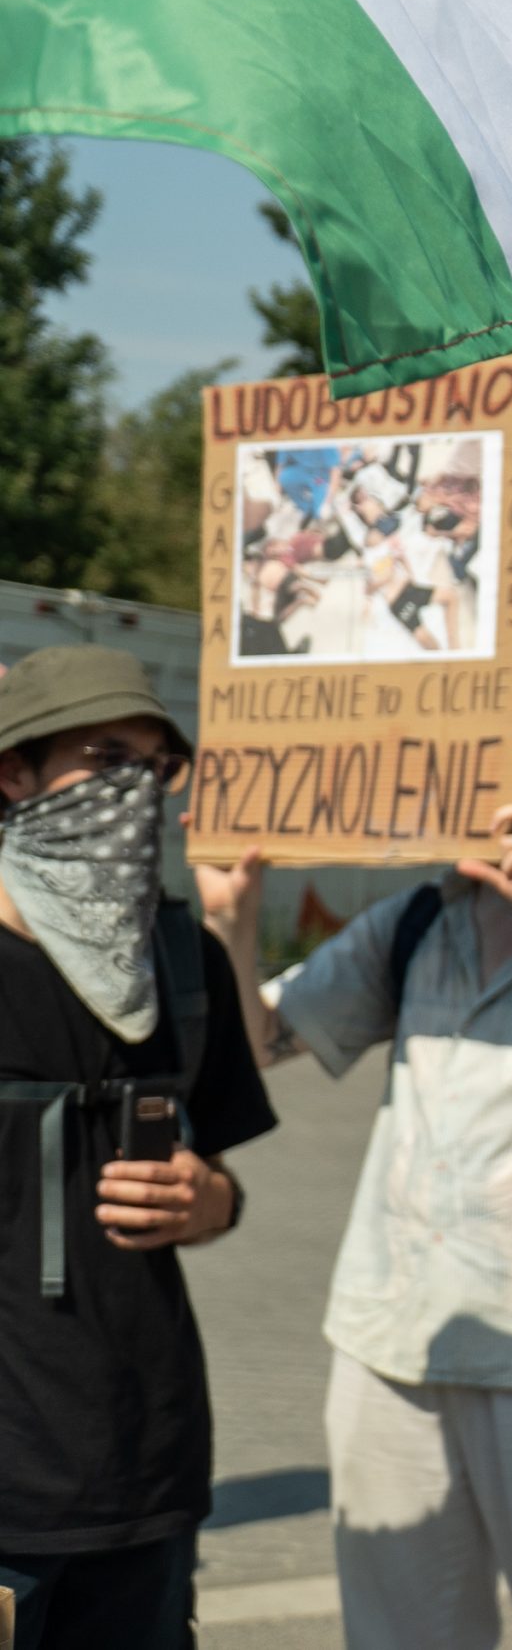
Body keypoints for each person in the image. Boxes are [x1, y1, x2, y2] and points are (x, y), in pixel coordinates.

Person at [197, 654, 512, 1650]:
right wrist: (235, 920)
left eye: (503, 745)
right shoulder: (419, 916)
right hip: (394, 1338)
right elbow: (258, 1045)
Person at [0, 646, 275, 1648]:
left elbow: (222, 1177)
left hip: (144, 1475)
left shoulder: (181, 960)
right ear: (14, 773)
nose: (135, 792)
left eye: (155, 768)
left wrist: (211, 1203)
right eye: (105, 758)